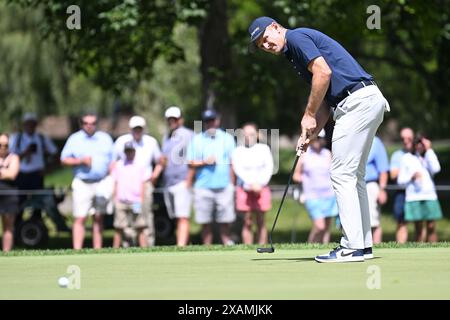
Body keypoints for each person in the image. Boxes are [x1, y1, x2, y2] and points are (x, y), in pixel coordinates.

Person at [248, 16, 390, 262]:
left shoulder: (295, 37)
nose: (267, 46)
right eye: (262, 46)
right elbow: (325, 100)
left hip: (356, 102)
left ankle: (352, 246)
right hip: (365, 100)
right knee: (354, 176)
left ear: (274, 27)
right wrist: (310, 134)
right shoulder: (294, 52)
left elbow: (323, 73)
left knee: (342, 174)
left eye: (266, 39)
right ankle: (363, 245)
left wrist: (308, 114)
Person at [61, 112, 113, 249]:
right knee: (80, 217)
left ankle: (98, 250)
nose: (89, 126)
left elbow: (113, 161)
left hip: (102, 182)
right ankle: (77, 250)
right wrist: (80, 161)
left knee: (98, 217)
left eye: (93, 123)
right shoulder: (74, 139)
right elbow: (64, 159)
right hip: (82, 183)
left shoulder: (105, 138)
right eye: (86, 123)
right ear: (81, 124)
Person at [9, 113, 68, 232]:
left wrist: (48, 168)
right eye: (27, 124)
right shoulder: (17, 138)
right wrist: (25, 153)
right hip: (21, 175)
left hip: (37, 175)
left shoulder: (41, 138)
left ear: (35, 125)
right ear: (24, 125)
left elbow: (56, 154)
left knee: (39, 202)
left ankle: (36, 227)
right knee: (19, 202)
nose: (30, 126)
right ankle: (16, 228)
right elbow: (10, 156)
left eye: (32, 124)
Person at [187, 109, 236, 245]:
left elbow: (232, 163)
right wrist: (204, 162)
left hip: (224, 186)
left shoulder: (227, 138)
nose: (211, 124)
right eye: (207, 121)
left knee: (225, 221)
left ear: (217, 121)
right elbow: (190, 162)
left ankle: (227, 245)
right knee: (205, 222)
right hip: (203, 187)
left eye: (213, 120)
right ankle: (206, 247)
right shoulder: (197, 140)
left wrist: (232, 184)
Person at [112, 115, 162, 246]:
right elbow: (113, 162)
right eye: (135, 129)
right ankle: (128, 245)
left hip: (144, 184)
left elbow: (160, 161)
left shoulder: (151, 142)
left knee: (144, 215)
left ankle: (148, 245)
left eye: (140, 128)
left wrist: (154, 176)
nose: (137, 131)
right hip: (125, 186)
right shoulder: (121, 141)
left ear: (144, 129)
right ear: (130, 129)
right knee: (125, 219)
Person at [293, 129, 337, 243]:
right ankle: (310, 246)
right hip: (312, 195)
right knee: (319, 226)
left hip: (329, 194)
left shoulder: (327, 154)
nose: (317, 141)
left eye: (320, 138)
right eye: (315, 138)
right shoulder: (304, 155)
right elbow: (296, 175)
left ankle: (325, 249)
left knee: (326, 228)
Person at [232, 123, 273, 245]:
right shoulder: (238, 151)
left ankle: (262, 247)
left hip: (261, 188)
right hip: (245, 189)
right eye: (245, 134)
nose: (248, 136)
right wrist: (251, 183)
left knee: (261, 221)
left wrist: (259, 184)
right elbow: (238, 169)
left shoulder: (264, 149)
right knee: (247, 221)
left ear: (257, 135)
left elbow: (268, 168)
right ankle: (248, 248)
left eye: (251, 134)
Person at [159, 106, 194, 246]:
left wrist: (189, 181)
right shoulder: (166, 137)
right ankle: (181, 244)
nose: (172, 121)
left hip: (182, 181)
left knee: (182, 216)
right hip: (169, 183)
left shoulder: (188, 134)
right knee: (176, 217)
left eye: (174, 118)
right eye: (169, 119)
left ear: (181, 119)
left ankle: (181, 246)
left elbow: (193, 158)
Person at [398, 135, 442, 242]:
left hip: (430, 196)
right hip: (414, 197)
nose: (419, 146)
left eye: (422, 144)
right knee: (418, 228)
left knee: (431, 226)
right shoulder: (407, 158)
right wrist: (411, 177)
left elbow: (436, 169)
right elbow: (400, 181)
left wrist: (429, 150)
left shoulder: (428, 156)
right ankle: (419, 251)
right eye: (417, 143)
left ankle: (434, 251)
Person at [111, 142, 150, 248]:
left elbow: (143, 183)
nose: (129, 153)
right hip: (121, 200)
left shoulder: (140, 164)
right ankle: (114, 250)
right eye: (127, 151)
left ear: (134, 151)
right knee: (119, 227)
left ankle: (144, 249)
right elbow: (116, 182)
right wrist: (115, 198)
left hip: (136, 201)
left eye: (131, 151)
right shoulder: (119, 165)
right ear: (124, 152)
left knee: (140, 226)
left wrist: (142, 198)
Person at [390, 127, 414, 243]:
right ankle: (401, 245)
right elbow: (393, 175)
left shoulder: (419, 153)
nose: (406, 141)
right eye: (403, 138)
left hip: (417, 192)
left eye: (409, 138)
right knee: (401, 221)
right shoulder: (397, 155)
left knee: (421, 222)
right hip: (402, 192)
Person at [365, 136, 389, 244]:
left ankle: (376, 247)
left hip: (370, 185)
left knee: (373, 222)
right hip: (351, 185)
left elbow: (383, 169)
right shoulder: (351, 138)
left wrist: (382, 189)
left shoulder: (376, 142)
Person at [0, 133, 20, 252]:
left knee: (8, 226)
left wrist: (4, 173)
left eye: (5, 145)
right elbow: (8, 173)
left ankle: (6, 252)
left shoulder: (14, 157)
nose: (2, 147)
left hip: (9, 195)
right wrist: (5, 172)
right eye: (0, 145)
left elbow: (13, 174)